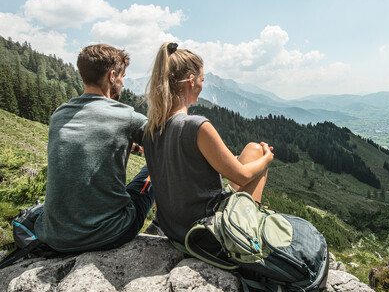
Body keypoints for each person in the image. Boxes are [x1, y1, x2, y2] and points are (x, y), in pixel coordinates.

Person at [142, 42, 273, 252]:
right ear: (191, 81)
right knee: (259, 157)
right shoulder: (197, 125)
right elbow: (242, 177)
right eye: (202, 80)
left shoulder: (151, 130)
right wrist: (267, 159)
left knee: (252, 149)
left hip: (175, 230)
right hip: (207, 235)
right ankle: (248, 236)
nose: (202, 86)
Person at [35, 44, 154, 252]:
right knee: (154, 167)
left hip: (54, 235)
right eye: (122, 76)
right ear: (112, 75)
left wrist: (132, 146)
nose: (123, 83)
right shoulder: (126, 116)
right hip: (108, 233)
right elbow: (171, 143)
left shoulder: (59, 114)